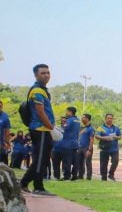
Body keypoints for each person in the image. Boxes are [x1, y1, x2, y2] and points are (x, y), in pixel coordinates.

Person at [19, 63, 57, 196]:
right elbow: (40, 112)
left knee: (44, 159)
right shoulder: (37, 91)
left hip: (44, 129)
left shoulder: (43, 90)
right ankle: (35, 186)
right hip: (39, 129)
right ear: (36, 75)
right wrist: (51, 127)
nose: (46, 75)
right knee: (41, 159)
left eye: (48, 72)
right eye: (43, 73)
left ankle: (27, 184)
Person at [95, 113, 122, 181]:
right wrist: (105, 138)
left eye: (111, 118)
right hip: (104, 148)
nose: (109, 120)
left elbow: (120, 137)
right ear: (105, 119)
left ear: (113, 119)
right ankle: (104, 177)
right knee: (103, 163)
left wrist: (116, 137)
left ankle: (111, 174)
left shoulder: (116, 128)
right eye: (108, 118)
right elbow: (96, 136)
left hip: (114, 148)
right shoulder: (100, 127)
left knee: (116, 161)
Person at [57, 107, 81, 180]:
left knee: (67, 161)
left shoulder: (70, 120)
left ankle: (66, 176)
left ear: (70, 112)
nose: (66, 113)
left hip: (67, 143)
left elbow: (65, 127)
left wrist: (62, 124)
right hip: (75, 143)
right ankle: (74, 176)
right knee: (75, 161)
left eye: (67, 111)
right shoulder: (77, 120)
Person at [77, 113, 95, 180]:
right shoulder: (82, 128)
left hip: (86, 148)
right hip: (80, 147)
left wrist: (89, 149)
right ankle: (80, 176)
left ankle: (88, 177)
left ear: (87, 119)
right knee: (79, 162)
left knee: (88, 162)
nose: (82, 119)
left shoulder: (91, 129)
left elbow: (92, 140)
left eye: (83, 118)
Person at [0, 99, 10, 166]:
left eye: (0, 106)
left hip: (1, 143)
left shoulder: (5, 116)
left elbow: (7, 130)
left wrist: (7, 142)